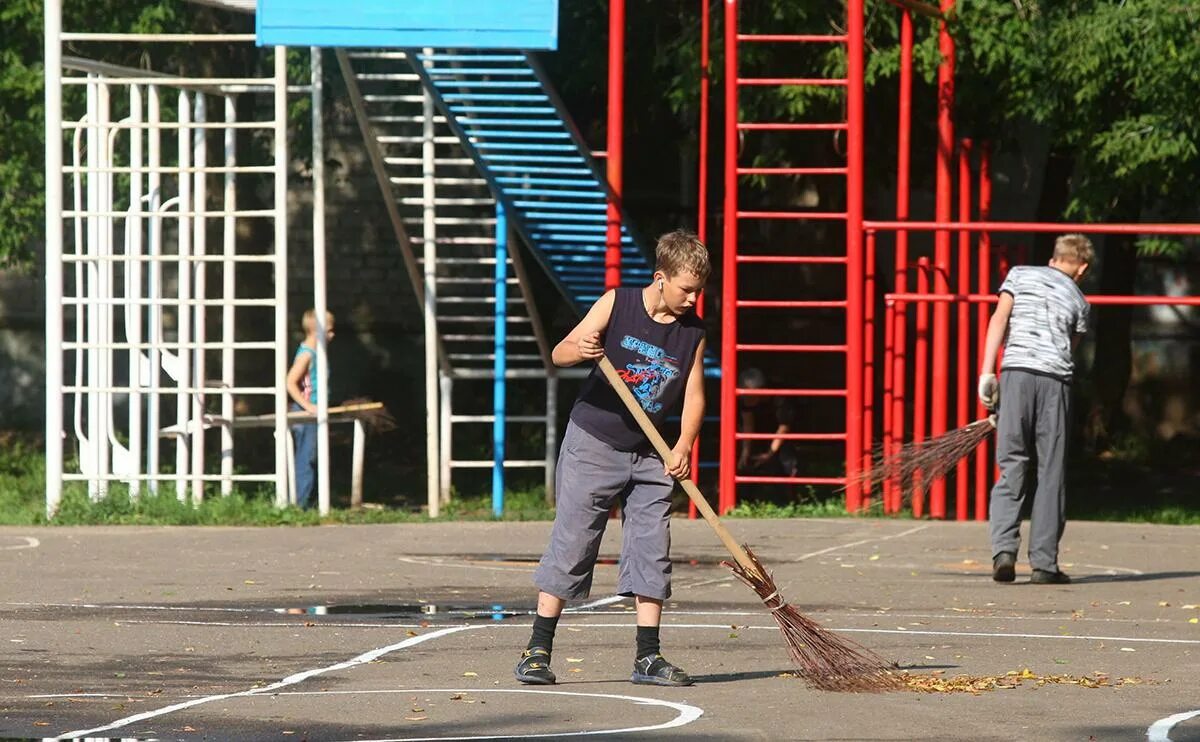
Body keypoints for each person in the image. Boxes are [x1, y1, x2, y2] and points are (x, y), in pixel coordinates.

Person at [514, 229, 709, 688]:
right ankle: (536, 651)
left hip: (652, 452)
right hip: (594, 442)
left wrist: (683, 445)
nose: (693, 298)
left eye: (699, 290)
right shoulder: (616, 304)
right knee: (575, 541)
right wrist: (579, 349)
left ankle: (648, 656)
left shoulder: (693, 332)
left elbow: (695, 395)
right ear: (660, 278)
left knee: (651, 549)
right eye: (686, 289)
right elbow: (560, 353)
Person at [978, 234, 1093, 585]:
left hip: (1016, 374)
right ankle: (1044, 564)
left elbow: (999, 320)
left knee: (1011, 461)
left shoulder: (1018, 275)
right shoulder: (1080, 299)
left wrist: (987, 372)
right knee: (1051, 470)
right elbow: (1070, 348)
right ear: (1082, 268)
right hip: (1055, 382)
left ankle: (1004, 552)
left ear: (1055, 257)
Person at [285, 308, 335, 509]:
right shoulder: (307, 354)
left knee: (312, 457)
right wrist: (308, 406)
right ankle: (299, 505)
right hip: (305, 414)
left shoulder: (316, 352)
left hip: (313, 412)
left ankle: (305, 501)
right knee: (306, 459)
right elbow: (290, 382)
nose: (333, 335)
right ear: (317, 331)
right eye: (330, 330)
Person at [736, 367, 798, 501]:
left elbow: (784, 427)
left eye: (750, 396)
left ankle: (788, 499)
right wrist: (745, 453)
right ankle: (745, 500)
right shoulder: (745, 398)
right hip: (759, 429)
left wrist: (769, 453)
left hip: (782, 431)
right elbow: (748, 423)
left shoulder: (781, 397)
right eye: (744, 395)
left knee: (785, 459)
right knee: (746, 462)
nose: (745, 399)